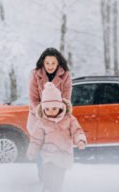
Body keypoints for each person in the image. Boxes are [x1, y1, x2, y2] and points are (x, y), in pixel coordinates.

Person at [27, 82, 87, 192]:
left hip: (63, 156)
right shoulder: (42, 122)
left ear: (60, 106)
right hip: (48, 157)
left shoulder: (69, 119)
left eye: (54, 108)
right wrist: (32, 150)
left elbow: (77, 130)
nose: (50, 112)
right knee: (49, 180)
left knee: (58, 181)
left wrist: (80, 140)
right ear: (43, 108)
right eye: (47, 109)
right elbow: (36, 139)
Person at [27, 47, 72, 180]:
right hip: (39, 116)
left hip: (59, 118)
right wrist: (44, 113)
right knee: (41, 147)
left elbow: (66, 98)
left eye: (53, 63)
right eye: (47, 63)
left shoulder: (66, 76)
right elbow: (33, 99)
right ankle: (44, 175)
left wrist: (57, 113)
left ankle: (57, 175)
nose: (50, 66)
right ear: (43, 63)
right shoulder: (36, 75)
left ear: (58, 63)